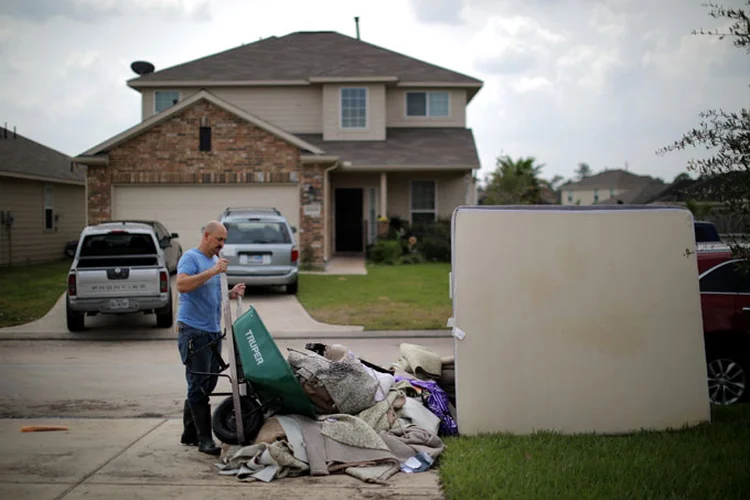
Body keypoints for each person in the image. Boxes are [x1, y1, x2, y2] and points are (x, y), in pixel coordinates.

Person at [176, 220, 245, 455]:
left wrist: (230, 292)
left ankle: (189, 433)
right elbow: (182, 285)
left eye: (224, 240)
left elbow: (210, 290)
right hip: (193, 330)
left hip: (213, 330)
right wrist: (214, 271)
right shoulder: (191, 258)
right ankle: (204, 440)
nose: (222, 245)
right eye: (219, 240)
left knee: (208, 383)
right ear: (206, 236)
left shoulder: (214, 261)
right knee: (198, 384)